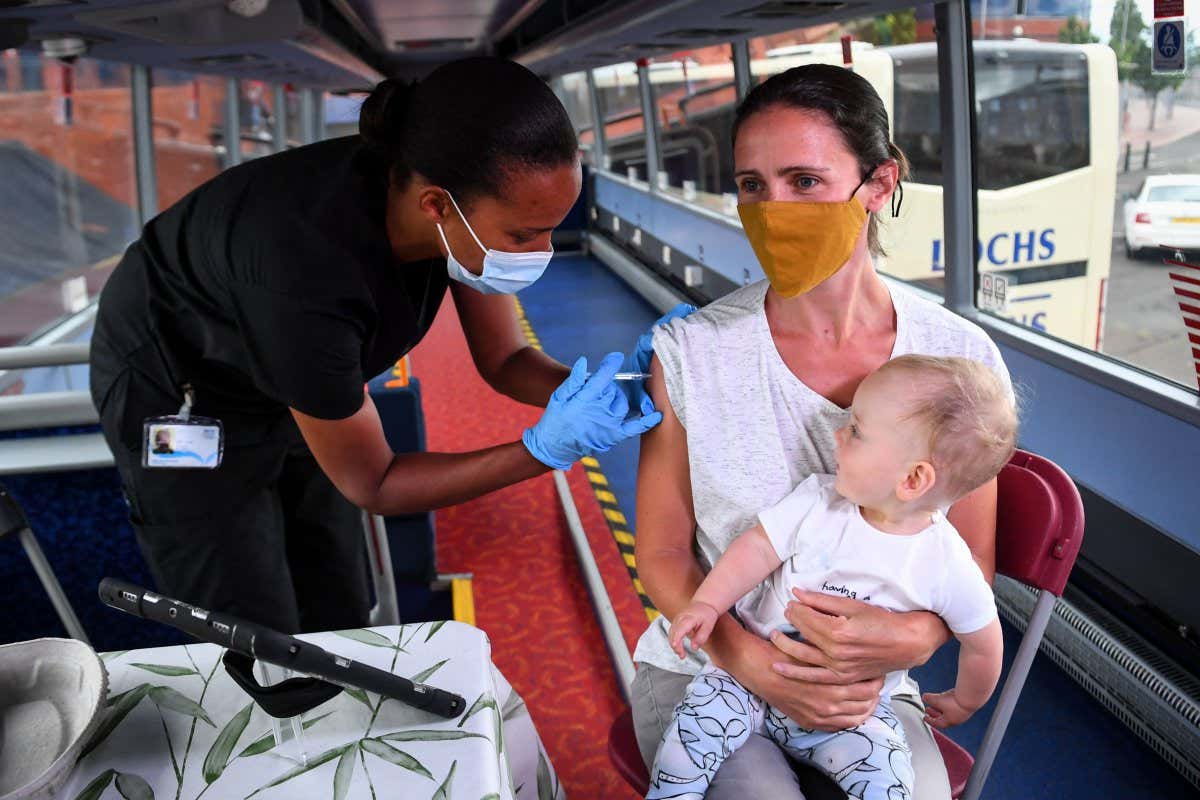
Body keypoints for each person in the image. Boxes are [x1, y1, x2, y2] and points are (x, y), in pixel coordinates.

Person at [89, 57, 690, 635]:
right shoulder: (307, 275)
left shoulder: (449, 201)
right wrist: (543, 450)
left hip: (291, 377)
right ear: (436, 206)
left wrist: (621, 391)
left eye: (552, 229)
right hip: (181, 390)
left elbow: (506, 360)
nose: (543, 253)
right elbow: (376, 483)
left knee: (337, 594)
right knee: (250, 623)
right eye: (523, 235)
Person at [631, 63, 1013, 800]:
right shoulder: (690, 353)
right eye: (752, 185)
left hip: (867, 687)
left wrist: (915, 637)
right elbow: (664, 552)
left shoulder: (961, 361)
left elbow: (967, 558)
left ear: (878, 183)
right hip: (707, 668)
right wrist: (752, 662)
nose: (773, 209)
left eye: (804, 181)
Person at [645, 355, 1015, 800]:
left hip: (852, 711)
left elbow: (984, 642)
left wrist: (966, 699)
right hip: (745, 682)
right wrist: (707, 603)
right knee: (690, 739)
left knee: (890, 780)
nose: (838, 435)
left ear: (913, 478)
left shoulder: (946, 562)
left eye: (856, 431)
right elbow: (756, 549)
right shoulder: (819, 502)